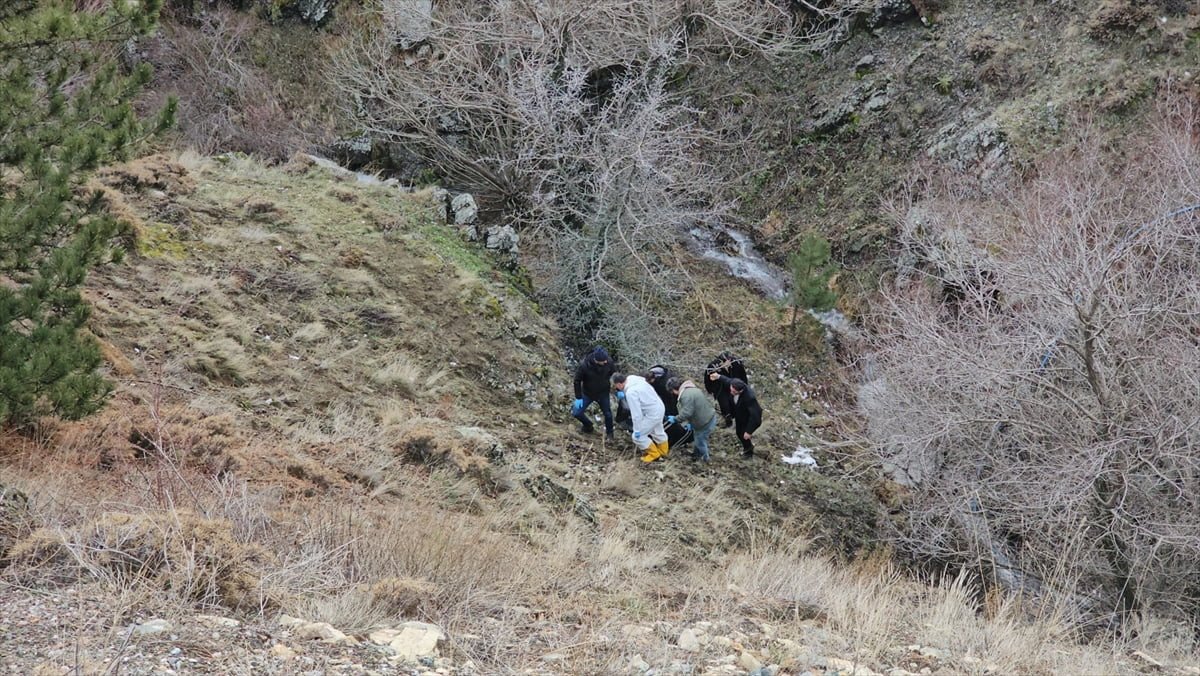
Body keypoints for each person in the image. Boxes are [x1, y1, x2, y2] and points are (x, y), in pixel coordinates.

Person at [612, 372, 669, 462]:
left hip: (652, 413)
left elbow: (636, 414)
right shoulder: (633, 378)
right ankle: (664, 451)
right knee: (658, 431)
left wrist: (637, 429)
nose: (617, 388)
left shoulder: (631, 393)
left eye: (616, 386)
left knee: (638, 437)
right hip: (659, 406)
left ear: (619, 384)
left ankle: (654, 454)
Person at [708, 373, 761, 458]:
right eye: (731, 389)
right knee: (738, 432)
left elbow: (756, 416)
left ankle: (748, 451)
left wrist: (749, 431)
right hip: (738, 414)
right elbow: (727, 380)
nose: (731, 392)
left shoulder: (749, 398)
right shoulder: (733, 383)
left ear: (740, 391)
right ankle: (747, 446)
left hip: (746, 418)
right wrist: (717, 376)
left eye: (734, 392)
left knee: (743, 435)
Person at [667, 376, 717, 462]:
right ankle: (697, 454)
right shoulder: (691, 389)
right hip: (708, 416)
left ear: (674, 389)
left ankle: (705, 460)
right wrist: (689, 422)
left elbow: (686, 412)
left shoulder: (685, 396)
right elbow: (694, 407)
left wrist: (675, 419)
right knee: (697, 438)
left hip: (704, 422)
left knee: (700, 441)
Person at [571, 346, 615, 440]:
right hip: (587, 393)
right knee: (576, 413)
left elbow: (615, 375)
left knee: (608, 414)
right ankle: (588, 426)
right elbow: (577, 381)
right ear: (597, 360)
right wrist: (578, 397)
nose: (606, 362)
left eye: (606, 359)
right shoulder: (584, 365)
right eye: (603, 361)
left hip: (603, 393)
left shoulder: (609, 362)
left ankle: (610, 434)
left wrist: (619, 390)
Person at [704, 352, 748, 428]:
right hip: (720, 388)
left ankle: (738, 417)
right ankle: (728, 420)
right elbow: (707, 379)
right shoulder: (713, 366)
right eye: (720, 363)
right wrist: (710, 390)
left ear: (729, 360)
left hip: (734, 386)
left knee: (735, 403)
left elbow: (743, 374)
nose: (721, 364)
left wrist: (744, 386)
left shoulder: (736, 363)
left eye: (723, 363)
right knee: (724, 405)